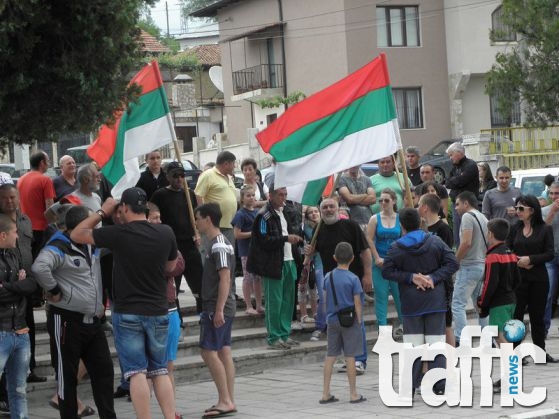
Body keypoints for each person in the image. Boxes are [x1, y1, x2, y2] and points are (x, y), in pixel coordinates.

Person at [70, 187, 178, 418]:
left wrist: (102, 211)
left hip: (128, 311)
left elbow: (77, 234)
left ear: (125, 209)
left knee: (137, 372)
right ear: (146, 209)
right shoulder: (166, 232)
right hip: (159, 309)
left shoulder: (119, 233)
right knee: (159, 370)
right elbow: (170, 268)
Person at [32, 205, 116, 419]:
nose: (93, 227)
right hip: (67, 320)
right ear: (80, 226)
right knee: (66, 377)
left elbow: (115, 238)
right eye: (90, 223)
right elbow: (40, 267)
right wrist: (55, 290)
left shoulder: (91, 243)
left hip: (93, 322)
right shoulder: (60, 245)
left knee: (104, 372)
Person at [382, 208, 459, 396]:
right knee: (436, 342)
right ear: (420, 222)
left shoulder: (396, 247)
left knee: (414, 344)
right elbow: (453, 264)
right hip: (435, 299)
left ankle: (411, 385)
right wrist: (433, 277)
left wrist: (410, 277)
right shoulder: (435, 241)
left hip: (410, 302)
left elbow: (386, 271)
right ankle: (439, 383)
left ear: (401, 226)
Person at [310, 198, 372, 374]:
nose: (328, 210)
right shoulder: (318, 229)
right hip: (331, 282)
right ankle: (350, 359)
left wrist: (367, 275)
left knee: (355, 320)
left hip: (353, 280)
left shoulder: (351, 226)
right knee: (340, 321)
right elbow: (314, 251)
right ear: (320, 211)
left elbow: (365, 251)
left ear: (338, 209)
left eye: (331, 207)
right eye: (324, 208)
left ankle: (360, 360)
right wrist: (309, 251)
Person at [247, 185, 303, 350]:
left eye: (285, 195)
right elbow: (263, 241)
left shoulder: (285, 211)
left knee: (288, 301)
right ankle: (274, 337)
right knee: (274, 302)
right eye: (280, 195)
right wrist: (285, 239)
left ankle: (284, 334)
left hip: (289, 260)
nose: (284, 198)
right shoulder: (263, 215)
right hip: (273, 264)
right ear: (270, 195)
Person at [0, 183, 46, 384]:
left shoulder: (26, 220)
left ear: (19, 198)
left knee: (29, 326)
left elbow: (32, 247)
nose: (10, 201)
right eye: (5, 198)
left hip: (27, 281)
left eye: (13, 197)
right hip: (7, 286)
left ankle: (29, 368)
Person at [195, 203, 237, 419]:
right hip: (220, 305)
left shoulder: (219, 244)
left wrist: (218, 309)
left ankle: (225, 400)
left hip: (216, 306)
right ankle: (228, 398)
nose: (196, 222)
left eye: (198, 218)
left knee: (208, 351)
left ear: (208, 219)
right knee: (223, 351)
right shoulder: (217, 243)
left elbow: (225, 278)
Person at [508, 195, 558, 364]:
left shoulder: (544, 229)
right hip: (519, 278)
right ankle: (515, 353)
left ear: (532, 210)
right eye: (516, 208)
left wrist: (531, 260)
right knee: (517, 317)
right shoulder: (514, 228)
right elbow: (507, 250)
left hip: (538, 278)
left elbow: (550, 253)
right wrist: (518, 260)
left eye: (521, 208)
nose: (518, 211)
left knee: (537, 316)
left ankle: (540, 352)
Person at [146, 203, 185, 419]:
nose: (158, 222)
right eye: (153, 218)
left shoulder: (166, 238)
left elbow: (179, 264)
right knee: (147, 371)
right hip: (151, 311)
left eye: (159, 217)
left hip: (170, 310)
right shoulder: (141, 243)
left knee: (167, 366)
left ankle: (170, 411)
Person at [151, 161, 203, 312]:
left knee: (199, 283)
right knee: (173, 287)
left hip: (190, 244)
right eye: (175, 175)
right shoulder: (159, 195)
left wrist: (197, 233)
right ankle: (177, 319)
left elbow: (196, 216)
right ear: (167, 176)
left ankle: (203, 316)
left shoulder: (189, 193)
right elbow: (153, 215)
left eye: (182, 175)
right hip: (171, 247)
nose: (179, 179)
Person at [0, 213, 37, 418]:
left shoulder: (14, 255)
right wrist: (18, 287)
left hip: (20, 331)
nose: (18, 236)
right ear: (3, 235)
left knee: (18, 391)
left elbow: (31, 284)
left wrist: (9, 286)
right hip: (2, 331)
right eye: (15, 232)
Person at [319, 242, 365, 405]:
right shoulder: (353, 279)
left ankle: (325, 393)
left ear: (334, 258)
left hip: (332, 320)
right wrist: (359, 321)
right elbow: (357, 302)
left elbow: (324, 300)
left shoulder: (327, 277)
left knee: (330, 356)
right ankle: (353, 394)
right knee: (350, 357)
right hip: (349, 321)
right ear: (352, 259)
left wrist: (326, 316)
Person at [452, 191, 489, 346]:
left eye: (457, 204)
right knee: (479, 304)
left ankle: (461, 338)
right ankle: (488, 338)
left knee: (457, 304)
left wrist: (455, 261)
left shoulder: (467, 217)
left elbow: (466, 242)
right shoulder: (483, 217)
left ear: (466, 203)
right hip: (482, 264)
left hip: (468, 265)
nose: (455, 208)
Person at [418, 193, 455, 346]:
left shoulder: (443, 229)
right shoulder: (420, 227)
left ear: (425, 208)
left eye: (419, 204)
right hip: (423, 281)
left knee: (446, 323)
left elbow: (447, 259)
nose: (417, 207)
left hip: (441, 282)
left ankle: (452, 358)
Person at [477, 218, 521, 347]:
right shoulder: (511, 254)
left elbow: (490, 283)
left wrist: (482, 302)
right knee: (506, 337)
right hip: (511, 300)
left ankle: (511, 366)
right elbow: (517, 280)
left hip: (498, 303)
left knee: (500, 337)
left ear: (490, 234)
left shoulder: (492, 256)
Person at [366, 188, 403, 334]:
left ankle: (403, 324)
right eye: (380, 200)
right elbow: (369, 238)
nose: (383, 203)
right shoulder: (374, 218)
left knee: (399, 295)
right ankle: (383, 328)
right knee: (381, 296)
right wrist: (376, 257)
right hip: (380, 261)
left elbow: (404, 239)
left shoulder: (400, 219)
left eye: (386, 200)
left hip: (396, 263)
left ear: (394, 201)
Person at [17, 150, 56, 257]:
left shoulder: (21, 179)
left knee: (28, 258)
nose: (49, 163)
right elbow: (50, 207)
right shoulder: (45, 180)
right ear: (42, 163)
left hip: (24, 227)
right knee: (41, 259)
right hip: (41, 228)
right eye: (48, 160)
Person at [231, 185, 263, 315]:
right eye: (248, 195)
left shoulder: (257, 212)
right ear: (242, 199)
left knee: (258, 278)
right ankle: (248, 305)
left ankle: (259, 305)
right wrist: (252, 233)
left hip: (257, 250)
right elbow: (237, 235)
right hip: (246, 251)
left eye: (253, 195)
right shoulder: (240, 214)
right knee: (248, 277)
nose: (251, 198)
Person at [445, 142, 479, 246]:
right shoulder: (454, 167)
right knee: (457, 231)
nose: (450, 158)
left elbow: (461, 181)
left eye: (451, 155)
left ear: (459, 153)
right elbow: (448, 182)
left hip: (468, 204)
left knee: (468, 230)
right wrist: (455, 181)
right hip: (456, 203)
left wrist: (455, 181)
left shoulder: (471, 165)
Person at [303, 206, 326, 342]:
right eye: (310, 212)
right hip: (319, 265)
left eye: (316, 211)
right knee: (323, 296)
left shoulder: (327, 225)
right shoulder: (308, 229)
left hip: (333, 264)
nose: (314, 214)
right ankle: (320, 327)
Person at [542, 181, 559, 338]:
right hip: (550, 258)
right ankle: (543, 329)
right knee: (547, 295)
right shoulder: (544, 211)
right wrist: (552, 212)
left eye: (557, 194)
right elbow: (542, 231)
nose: (554, 197)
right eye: (551, 194)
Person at [338, 166, 376, 231]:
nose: (353, 166)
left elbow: (373, 199)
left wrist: (354, 198)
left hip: (368, 219)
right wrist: (365, 195)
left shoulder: (367, 179)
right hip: (351, 220)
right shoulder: (342, 179)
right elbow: (349, 199)